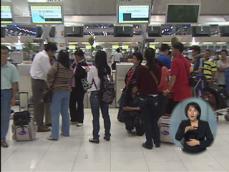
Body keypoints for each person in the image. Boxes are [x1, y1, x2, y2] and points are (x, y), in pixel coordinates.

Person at [135, 48, 162, 149]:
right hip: (155, 97)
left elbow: (137, 83)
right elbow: (159, 81)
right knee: (154, 120)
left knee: (147, 121)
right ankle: (157, 141)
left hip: (144, 97)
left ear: (145, 57)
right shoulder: (158, 68)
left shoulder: (141, 69)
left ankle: (149, 142)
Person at [30, 42, 57, 132]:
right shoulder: (44, 57)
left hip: (37, 80)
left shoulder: (39, 54)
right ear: (49, 50)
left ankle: (39, 123)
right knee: (39, 104)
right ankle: (40, 126)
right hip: (39, 82)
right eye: (53, 52)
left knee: (39, 103)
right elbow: (49, 72)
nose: (53, 55)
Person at [47, 50, 73, 140]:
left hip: (57, 91)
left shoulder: (57, 65)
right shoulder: (69, 67)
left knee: (55, 113)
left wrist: (50, 84)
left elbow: (49, 74)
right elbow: (71, 79)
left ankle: (54, 135)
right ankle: (66, 132)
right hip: (67, 91)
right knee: (65, 112)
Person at [87, 50, 111, 143]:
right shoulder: (107, 68)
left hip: (95, 95)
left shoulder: (92, 68)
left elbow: (88, 83)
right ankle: (107, 135)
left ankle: (96, 137)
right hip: (105, 94)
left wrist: (86, 88)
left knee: (95, 117)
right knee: (106, 115)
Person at [1, 45, 19, 147]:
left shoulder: (11, 67)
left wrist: (13, 97)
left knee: (4, 117)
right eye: (2, 53)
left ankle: (2, 138)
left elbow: (14, 83)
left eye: (5, 53)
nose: (3, 56)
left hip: (6, 93)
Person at [117, 52, 143, 122]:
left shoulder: (140, 69)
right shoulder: (132, 68)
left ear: (139, 60)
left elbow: (138, 80)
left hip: (133, 90)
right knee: (123, 103)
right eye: (133, 58)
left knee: (126, 104)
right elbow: (127, 77)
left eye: (134, 58)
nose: (133, 60)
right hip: (127, 88)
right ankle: (123, 117)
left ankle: (126, 118)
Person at [166, 42, 192, 112]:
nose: (171, 51)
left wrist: (168, 90)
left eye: (172, 49)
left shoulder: (175, 61)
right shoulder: (185, 60)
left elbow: (173, 77)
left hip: (178, 92)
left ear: (176, 50)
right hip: (187, 91)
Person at [69, 49, 88, 127]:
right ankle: (73, 118)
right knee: (71, 103)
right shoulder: (74, 64)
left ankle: (80, 120)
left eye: (76, 56)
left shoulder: (85, 64)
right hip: (73, 86)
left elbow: (84, 75)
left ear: (80, 56)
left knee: (80, 103)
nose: (75, 58)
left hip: (80, 87)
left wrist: (73, 74)